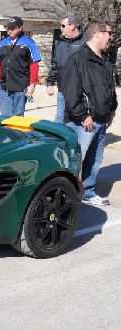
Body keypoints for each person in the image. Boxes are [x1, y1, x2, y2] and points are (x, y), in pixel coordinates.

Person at [62, 20, 117, 206]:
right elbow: (70, 93)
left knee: (94, 161)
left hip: (101, 121)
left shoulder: (105, 61)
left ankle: (88, 192)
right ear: (97, 34)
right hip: (82, 122)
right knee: (76, 160)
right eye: (108, 32)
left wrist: (111, 110)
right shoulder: (77, 60)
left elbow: (110, 89)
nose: (111, 37)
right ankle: (65, 195)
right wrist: (83, 115)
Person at [0, 16, 42, 116]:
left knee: (17, 117)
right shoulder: (2, 43)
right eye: (8, 28)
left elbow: (34, 64)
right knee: (5, 117)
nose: (9, 30)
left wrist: (32, 84)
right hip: (3, 87)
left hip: (20, 87)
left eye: (12, 28)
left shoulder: (29, 43)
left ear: (20, 28)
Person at [46, 12, 86, 123]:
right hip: (62, 90)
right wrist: (50, 82)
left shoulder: (86, 42)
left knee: (78, 119)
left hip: (80, 92)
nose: (61, 28)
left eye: (63, 26)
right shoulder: (60, 43)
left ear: (72, 26)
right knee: (60, 119)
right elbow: (55, 63)